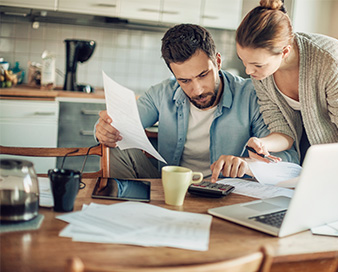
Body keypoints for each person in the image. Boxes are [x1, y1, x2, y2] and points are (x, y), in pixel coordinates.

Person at [235, 0, 338, 208]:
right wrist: (264, 144)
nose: (248, 71)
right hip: (315, 147)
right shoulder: (262, 73)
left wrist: (317, 175)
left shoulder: (330, 61)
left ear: (285, 52)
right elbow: (283, 131)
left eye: (256, 64)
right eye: (244, 61)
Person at [95, 23, 298, 182]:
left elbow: (289, 161)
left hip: (224, 190)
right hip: (168, 185)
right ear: (174, 74)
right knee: (115, 145)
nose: (197, 90)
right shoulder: (161, 93)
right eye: (185, 81)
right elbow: (121, 125)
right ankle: (124, 211)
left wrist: (248, 164)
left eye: (203, 75)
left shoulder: (252, 95)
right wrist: (106, 130)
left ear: (217, 62)